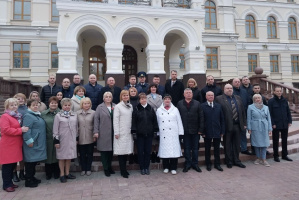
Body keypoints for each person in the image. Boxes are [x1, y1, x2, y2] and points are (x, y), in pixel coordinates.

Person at [0, 98, 28, 192]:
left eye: (15, 105)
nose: (14, 106)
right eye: (11, 105)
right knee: (7, 165)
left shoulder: (17, 116)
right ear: (7, 106)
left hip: (15, 144)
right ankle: (6, 184)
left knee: (13, 165)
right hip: (8, 145)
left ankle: (10, 182)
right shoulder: (5, 116)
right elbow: (5, 130)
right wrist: (20, 130)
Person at [215, 84, 247, 169]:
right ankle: (228, 161)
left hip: (237, 125)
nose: (229, 89)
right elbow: (218, 113)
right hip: (227, 125)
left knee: (237, 144)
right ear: (224, 89)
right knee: (227, 144)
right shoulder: (219, 99)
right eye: (227, 88)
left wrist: (244, 123)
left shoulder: (238, 98)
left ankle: (236, 160)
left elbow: (243, 111)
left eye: (231, 88)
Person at [177, 88, 204, 173]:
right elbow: (177, 118)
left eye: (190, 93)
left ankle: (195, 164)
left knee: (195, 148)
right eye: (187, 93)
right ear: (184, 94)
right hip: (184, 130)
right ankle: (188, 164)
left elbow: (201, 117)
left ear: (192, 94)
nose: (188, 94)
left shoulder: (197, 103)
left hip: (195, 130)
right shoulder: (180, 103)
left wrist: (201, 129)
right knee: (187, 148)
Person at [131, 93, 159, 175]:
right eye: (142, 99)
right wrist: (134, 132)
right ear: (139, 100)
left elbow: (154, 120)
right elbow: (134, 122)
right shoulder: (136, 108)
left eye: (145, 98)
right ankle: (142, 167)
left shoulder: (150, 108)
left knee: (147, 151)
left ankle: (147, 167)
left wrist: (155, 131)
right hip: (140, 134)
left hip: (149, 134)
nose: (143, 100)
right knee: (140, 151)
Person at [22, 99, 47, 188]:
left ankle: (32, 177)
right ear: (29, 107)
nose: (36, 106)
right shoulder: (28, 116)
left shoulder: (36, 115)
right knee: (30, 162)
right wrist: (29, 141)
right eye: (33, 105)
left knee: (33, 162)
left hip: (37, 142)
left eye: (37, 105)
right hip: (32, 142)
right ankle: (28, 180)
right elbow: (26, 130)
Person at [157, 95, 184, 175]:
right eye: (165, 99)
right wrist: (157, 132)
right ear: (163, 101)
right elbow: (157, 122)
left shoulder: (175, 109)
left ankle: (173, 167)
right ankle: (166, 167)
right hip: (163, 134)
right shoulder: (159, 110)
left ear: (171, 100)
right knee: (165, 150)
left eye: (169, 99)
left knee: (173, 151)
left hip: (173, 134)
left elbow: (179, 121)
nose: (167, 101)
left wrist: (180, 132)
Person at [53, 98, 78, 183]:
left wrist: (76, 137)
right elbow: (55, 129)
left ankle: (67, 173)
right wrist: (56, 141)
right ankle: (62, 174)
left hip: (71, 139)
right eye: (65, 105)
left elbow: (76, 128)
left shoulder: (74, 115)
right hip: (62, 139)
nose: (67, 107)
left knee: (69, 157)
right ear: (62, 106)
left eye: (69, 105)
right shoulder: (58, 116)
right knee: (62, 157)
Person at [201, 91, 225, 172]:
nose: (211, 97)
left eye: (212, 95)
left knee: (217, 149)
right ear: (206, 97)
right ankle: (208, 164)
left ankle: (217, 164)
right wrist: (203, 132)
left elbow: (222, 119)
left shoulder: (218, 106)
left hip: (217, 131)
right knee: (207, 149)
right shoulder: (202, 106)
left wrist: (222, 130)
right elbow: (201, 120)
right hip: (207, 131)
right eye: (209, 95)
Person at [94, 92, 116, 177]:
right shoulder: (100, 107)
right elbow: (96, 120)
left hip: (113, 132)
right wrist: (96, 131)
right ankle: (106, 168)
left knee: (111, 151)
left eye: (110, 96)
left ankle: (110, 167)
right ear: (103, 98)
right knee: (104, 152)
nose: (108, 98)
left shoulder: (115, 106)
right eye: (106, 97)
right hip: (103, 132)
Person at [268, 86, 293, 162]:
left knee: (284, 140)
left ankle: (284, 155)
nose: (279, 92)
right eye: (277, 91)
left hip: (284, 123)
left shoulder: (284, 100)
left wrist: (289, 121)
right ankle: (276, 156)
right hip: (276, 124)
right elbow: (270, 113)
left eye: (280, 91)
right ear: (274, 92)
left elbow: (288, 111)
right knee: (275, 140)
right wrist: (273, 123)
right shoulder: (271, 101)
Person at [247, 94, 272, 167]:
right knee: (256, 143)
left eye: (259, 98)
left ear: (261, 99)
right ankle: (258, 158)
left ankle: (264, 159)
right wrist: (249, 128)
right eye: (256, 98)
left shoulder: (266, 107)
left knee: (264, 143)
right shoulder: (250, 107)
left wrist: (270, 128)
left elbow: (269, 119)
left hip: (264, 126)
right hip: (255, 126)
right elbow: (249, 118)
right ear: (254, 99)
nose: (258, 99)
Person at [113, 90, 134, 178]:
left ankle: (125, 169)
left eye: (127, 95)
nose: (126, 97)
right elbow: (115, 120)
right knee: (121, 153)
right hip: (121, 133)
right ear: (121, 97)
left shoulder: (130, 106)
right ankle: (123, 171)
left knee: (126, 152)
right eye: (124, 95)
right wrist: (116, 132)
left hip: (128, 132)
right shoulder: (118, 107)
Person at [41, 96, 60, 180]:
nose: (53, 104)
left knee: (57, 156)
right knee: (48, 156)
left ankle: (56, 172)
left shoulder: (61, 113)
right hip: (47, 137)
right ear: (49, 104)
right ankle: (48, 173)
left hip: (58, 138)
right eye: (52, 103)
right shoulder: (43, 114)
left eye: (55, 103)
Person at [232, 78, 251, 155]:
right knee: (235, 133)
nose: (237, 83)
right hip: (234, 115)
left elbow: (248, 102)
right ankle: (235, 148)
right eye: (235, 82)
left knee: (243, 132)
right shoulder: (231, 91)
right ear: (233, 83)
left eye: (238, 82)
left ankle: (244, 148)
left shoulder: (244, 91)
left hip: (244, 115)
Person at [77, 97, 95, 176]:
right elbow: (75, 125)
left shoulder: (93, 113)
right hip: (80, 136)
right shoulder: (77, 113)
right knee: (82, 154)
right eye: (85, 103)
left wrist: (94, 134)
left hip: (90, 136)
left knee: (90, 154)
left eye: (88, 103)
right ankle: (83, 169)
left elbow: (95, 125)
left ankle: (88, 168)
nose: (87, 105)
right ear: (82, 104)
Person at [12, 93, 27, 182]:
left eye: (22, 98)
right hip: (15, 135)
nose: (20, 100)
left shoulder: (27, 109)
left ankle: (22, 172)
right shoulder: (12, 110)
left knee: (23, 155)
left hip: (24, 134)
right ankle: (14, 173)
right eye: (18, 98)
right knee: (14, 156)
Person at [146, 84, 163, 163]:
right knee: (152, 137)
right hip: (150, 118)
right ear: (150, 88)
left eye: (155, 87)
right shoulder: (147, 97)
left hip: (159, 118)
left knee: (158, 136)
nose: (153, 88)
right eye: (152, 87)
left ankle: (157, 153)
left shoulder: (160, 97)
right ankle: (152, 153)